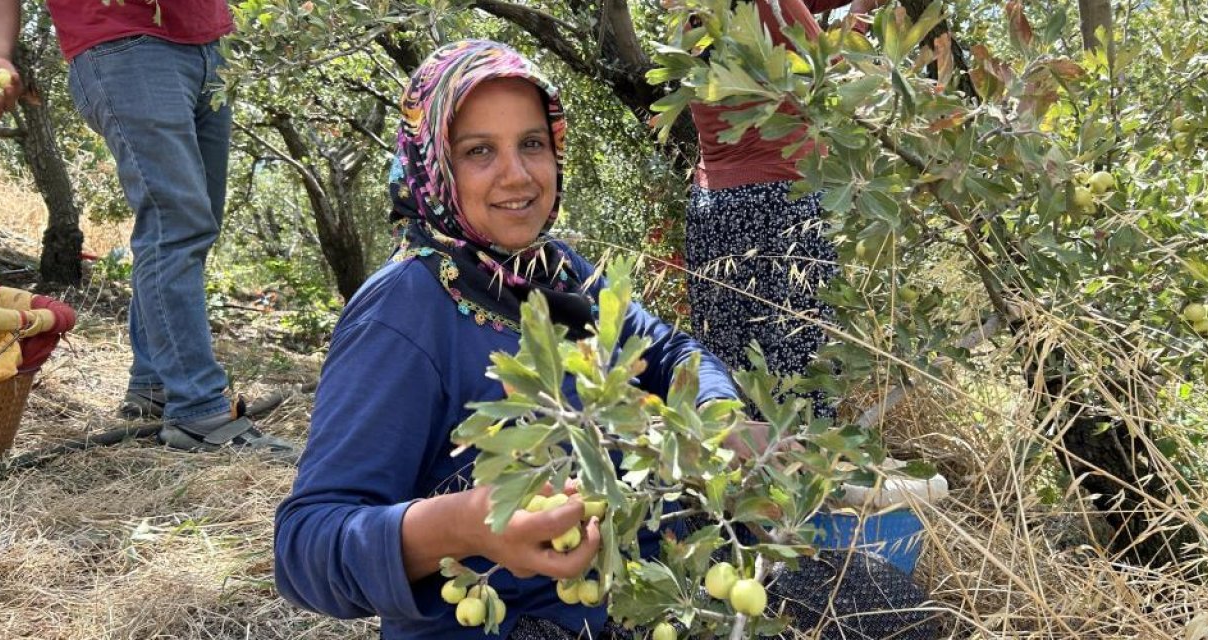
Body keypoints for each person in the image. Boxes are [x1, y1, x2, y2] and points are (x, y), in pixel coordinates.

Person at [275, 39, 936, 640]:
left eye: (532, 144)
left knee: (902, 617)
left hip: (650, 589)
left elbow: (674, 353)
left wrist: (716, 414)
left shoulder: (556, 273)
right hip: (519, 625)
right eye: (480, 151)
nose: (518, 176)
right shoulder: (404, 312)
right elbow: (306, 548)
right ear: (433, 166)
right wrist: (465, 525)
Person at [0, 0, 292, 453]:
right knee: (177, 223)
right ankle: (199, 413)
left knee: (192, 225)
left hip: (210, 46)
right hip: (123, 46)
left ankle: (154, 385)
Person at [685, 0, 884, 420]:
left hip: (713, 211)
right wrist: (864, 9)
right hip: (784, 205)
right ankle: (802, 477)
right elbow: (831, 85)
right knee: (799, 381)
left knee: (730, 381)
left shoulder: (694, 16)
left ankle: (742, 479)